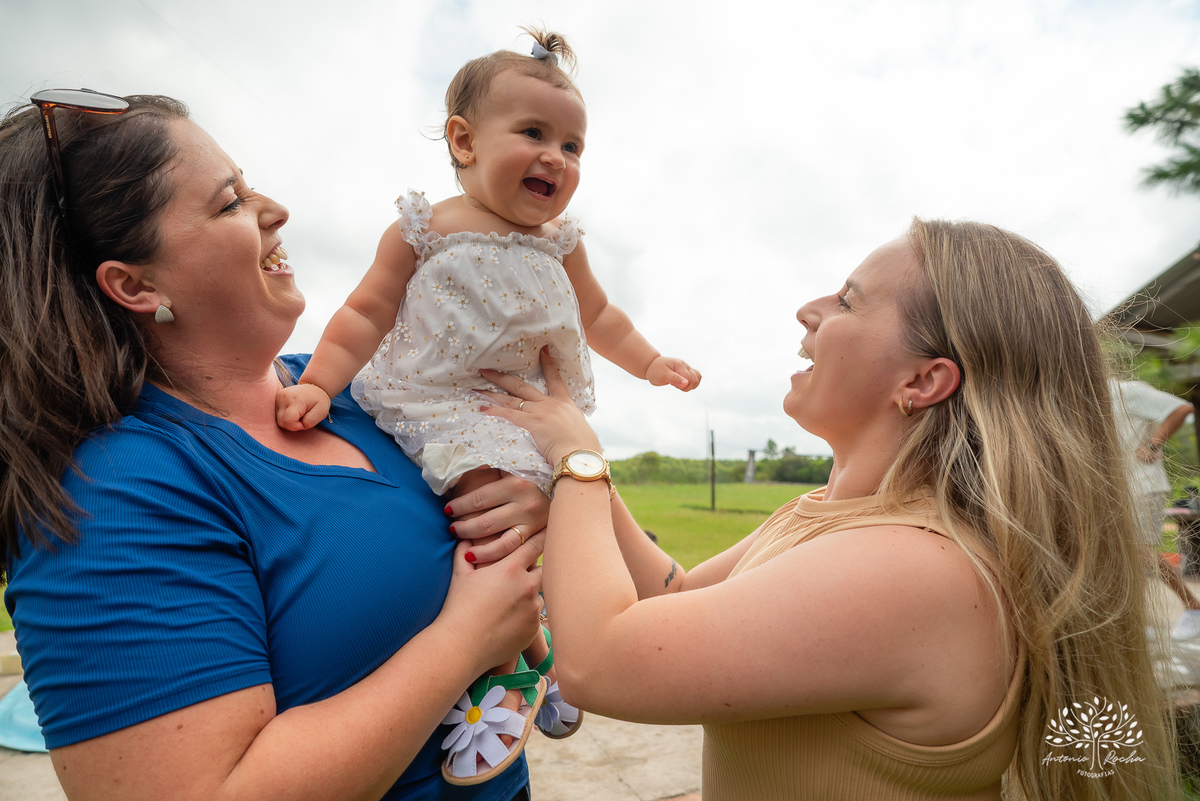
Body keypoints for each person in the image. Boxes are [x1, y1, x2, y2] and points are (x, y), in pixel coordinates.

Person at [470, 219, 1179, 800]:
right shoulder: (826, 515)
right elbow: (679, 596)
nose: (808, 311)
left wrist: (579, 466)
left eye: (845, 300)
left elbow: (601, 662)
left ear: (923, 380)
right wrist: (583, 481)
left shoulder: (918, 568)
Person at [0, 89, 552, 801]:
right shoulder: (110, 495)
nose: (275, 211)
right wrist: (464, 638)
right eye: (230, 202)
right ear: (135, 283)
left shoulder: (365, 395)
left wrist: (522, 497)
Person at [274, 29, 699, 780]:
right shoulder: (426, 228)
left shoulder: (562, 242)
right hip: (438, 400)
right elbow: (364, 313)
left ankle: (543, 659)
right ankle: (506, 681)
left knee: (553, 516)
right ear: (464, 141)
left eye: (573, 146)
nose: (557, 159)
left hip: (523, 410)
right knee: (492, 512)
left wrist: (652, 361)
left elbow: (603, 319)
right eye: (534, 133)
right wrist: (319, 384)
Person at [1112, 378, 1200, 640]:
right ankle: (1138, 624)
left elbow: (1182, 408)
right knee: (1129, 555)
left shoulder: (1127, 390)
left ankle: (1193, 608)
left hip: (1143, 485)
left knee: (1140, 552)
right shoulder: (1085, 397)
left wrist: (1152, 445)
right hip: (1120, 488)